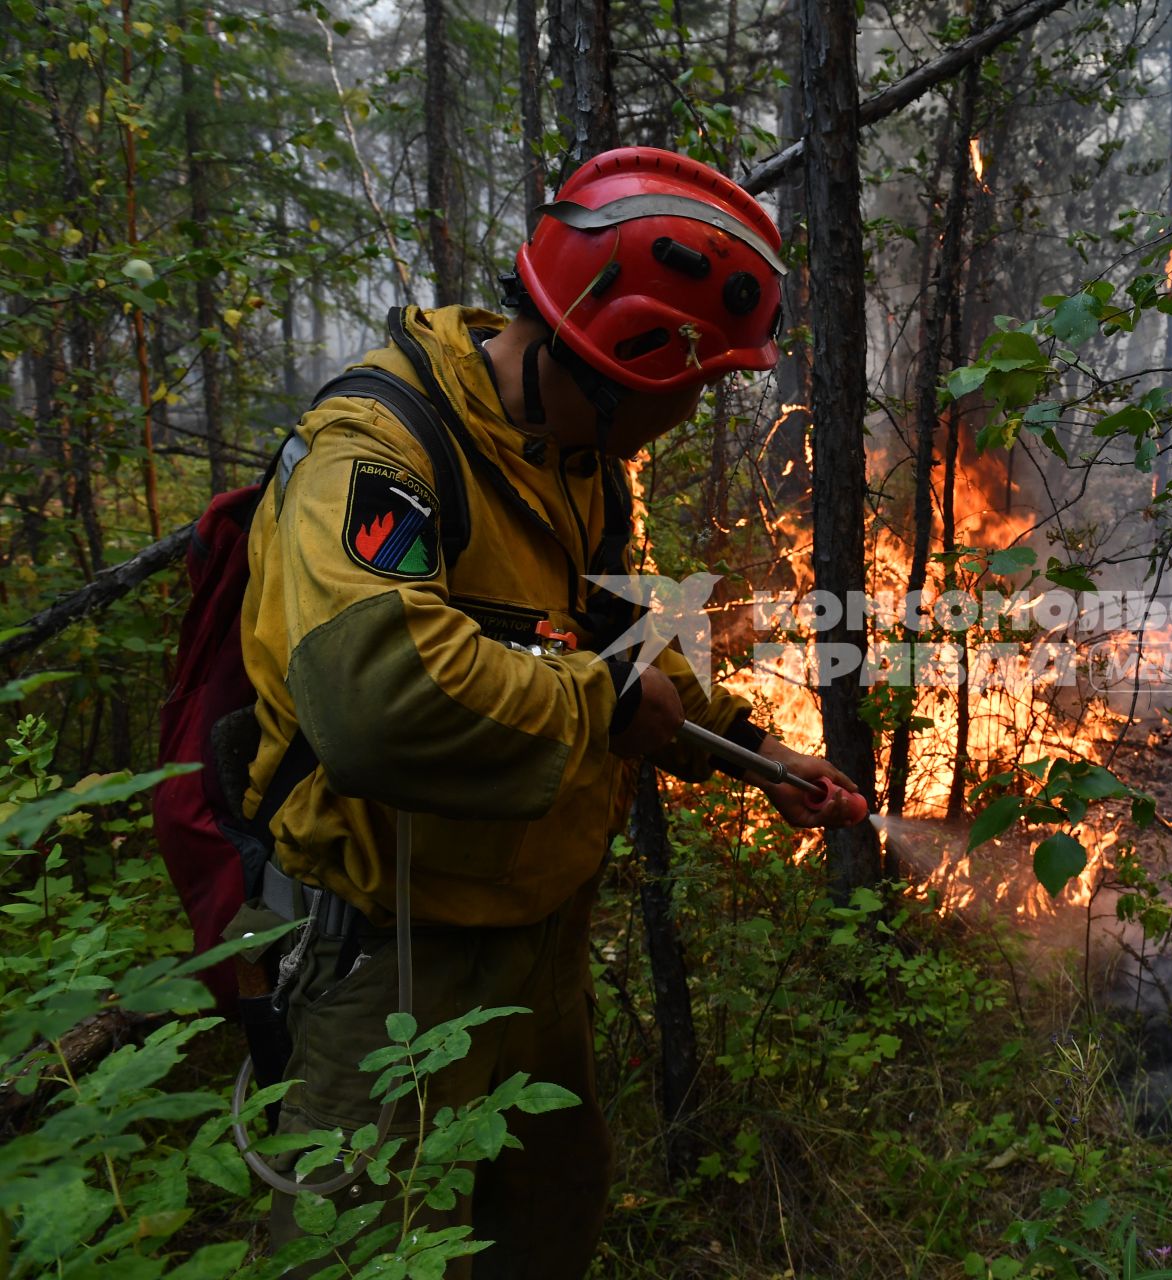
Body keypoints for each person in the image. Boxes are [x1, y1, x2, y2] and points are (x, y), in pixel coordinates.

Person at [236, 146, 861, 1276]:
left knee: (545, 1213)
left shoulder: (577, 461)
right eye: (699, 383)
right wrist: (606, 698)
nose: (697, 408)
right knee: (353, 1249)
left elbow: (613, 636)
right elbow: (374, 698)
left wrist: (756, 753)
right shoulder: (379, 454)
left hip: (540, 935)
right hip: (396, 950)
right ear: (627, 356)